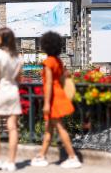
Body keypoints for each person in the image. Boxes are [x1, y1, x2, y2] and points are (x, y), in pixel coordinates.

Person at [31, 32, 82, 169]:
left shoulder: (48, 62)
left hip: (54, 99)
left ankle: (72, 157)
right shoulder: (58, 61)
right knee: (49, 129)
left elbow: (48, 84)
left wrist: (46, 104)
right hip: (60, 95)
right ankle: (41, 155)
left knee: (60, 128)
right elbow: (62, 77)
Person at [0, 27, 23, 171]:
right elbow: (19, 78)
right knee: (13, 128)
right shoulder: (17, 57)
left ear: (2, 38)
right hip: (13, 92)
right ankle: (11, 162)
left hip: (0, 92)